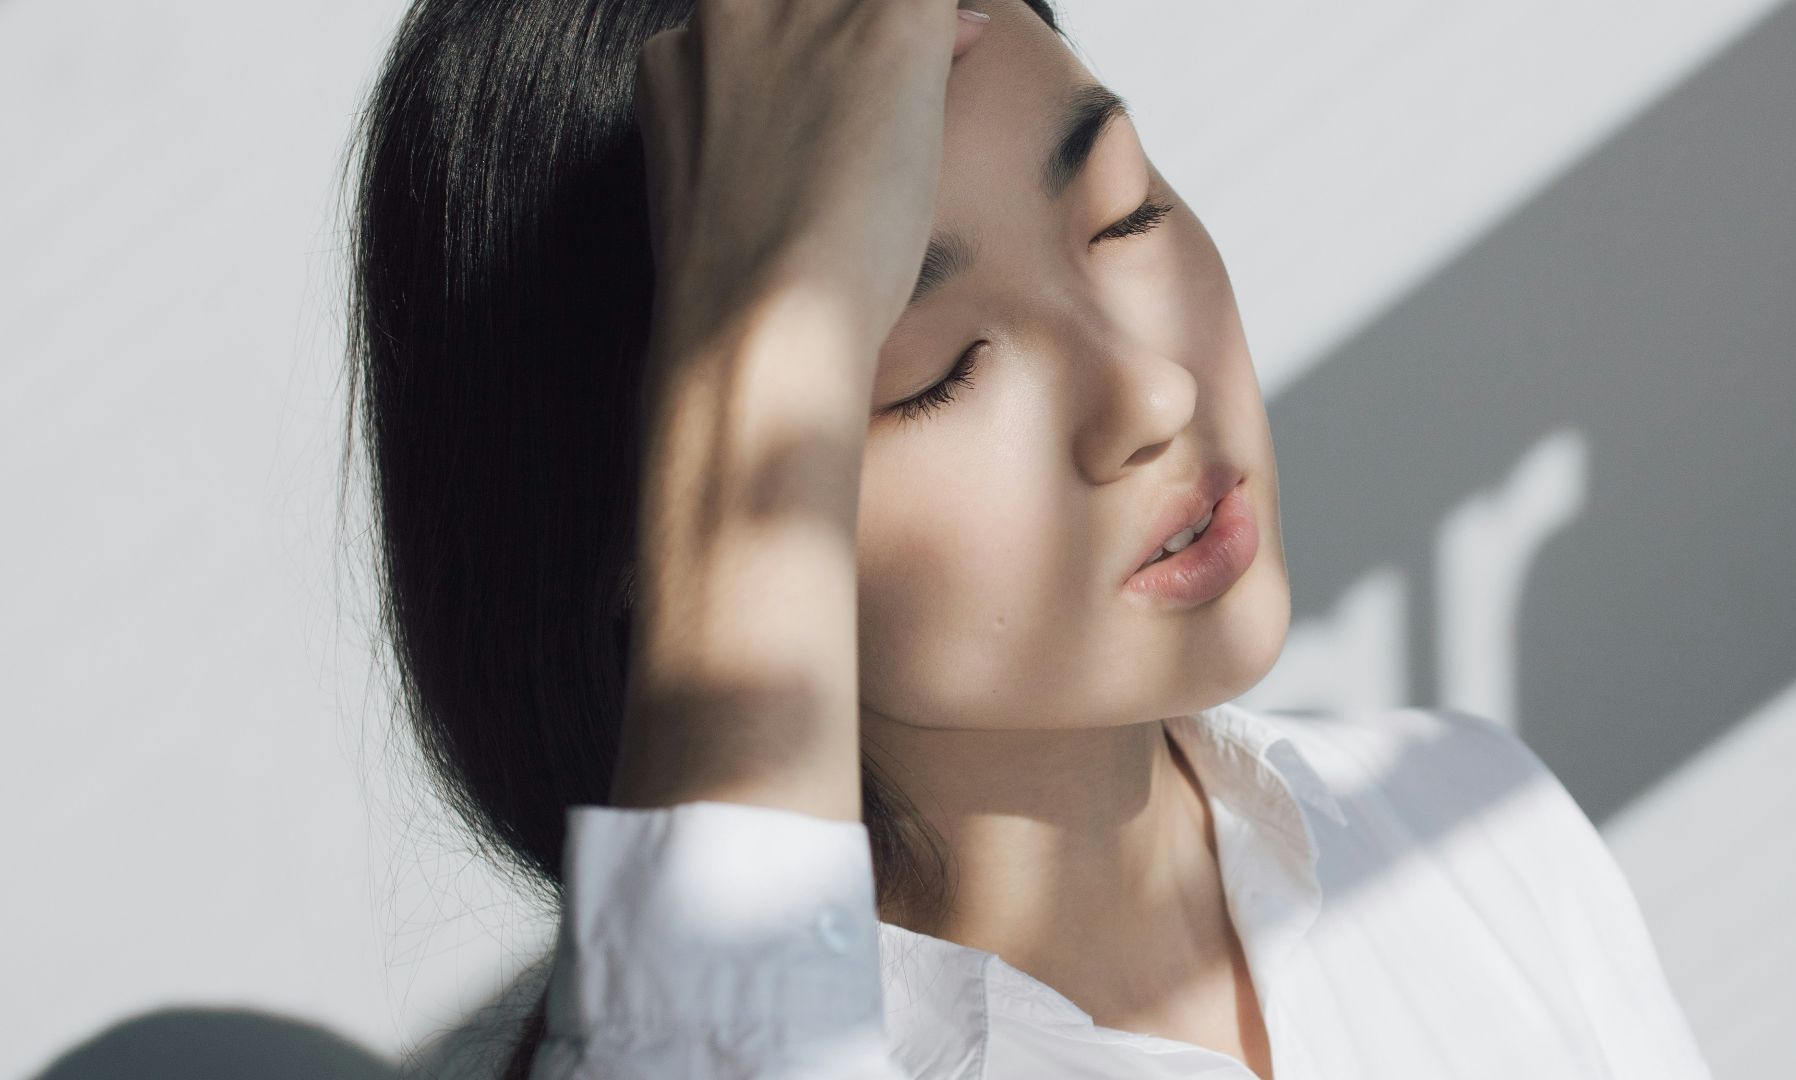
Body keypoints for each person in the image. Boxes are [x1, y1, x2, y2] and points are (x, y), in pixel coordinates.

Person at [343, 1, 1715, 1076]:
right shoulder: (724, 1038)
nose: (1151, 393)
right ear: (668, 522)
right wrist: (765, 334)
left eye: (1126, 210)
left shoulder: (1471, 831)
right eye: (931, 368)